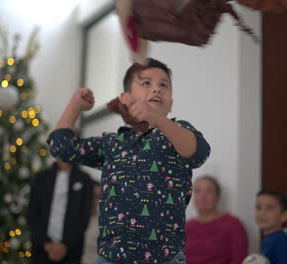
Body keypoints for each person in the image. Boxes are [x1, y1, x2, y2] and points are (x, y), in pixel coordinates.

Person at [47, 58, 211, 264]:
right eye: (146, 83)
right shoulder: (112, 143)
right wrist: (75, 106)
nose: (157, 89)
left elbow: (198, 153)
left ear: (170, 103)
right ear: (125, 98)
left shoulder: (175, 134)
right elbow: (61, 147)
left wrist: (159, 120)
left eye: (164, 85)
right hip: (111, 257)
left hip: (165, 258)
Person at [28, 160, 94, 264]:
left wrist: (65, 245)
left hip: (71, 250)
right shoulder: (41, 177)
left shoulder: (85, 180)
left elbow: (84, 217)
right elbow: (32, 212)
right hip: (41, 248)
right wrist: (46, 243)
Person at [186, 176, 248, 263]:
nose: (202, 196)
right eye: (197, 191)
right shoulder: (185, 227)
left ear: (217, 197)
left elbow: (239, 260)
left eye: (209, 191)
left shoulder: (233, 225)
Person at [255, 189, 287, 264]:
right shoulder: (269, 238)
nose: (262, 213)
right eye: (258, 208)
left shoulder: (281, 242)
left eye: (269, 208)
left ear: (284, 215)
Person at [81, 180, 101, 264]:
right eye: (90, 195)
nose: (93, 199)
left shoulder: (102, 224)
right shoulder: (70, 218)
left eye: (97, 196)